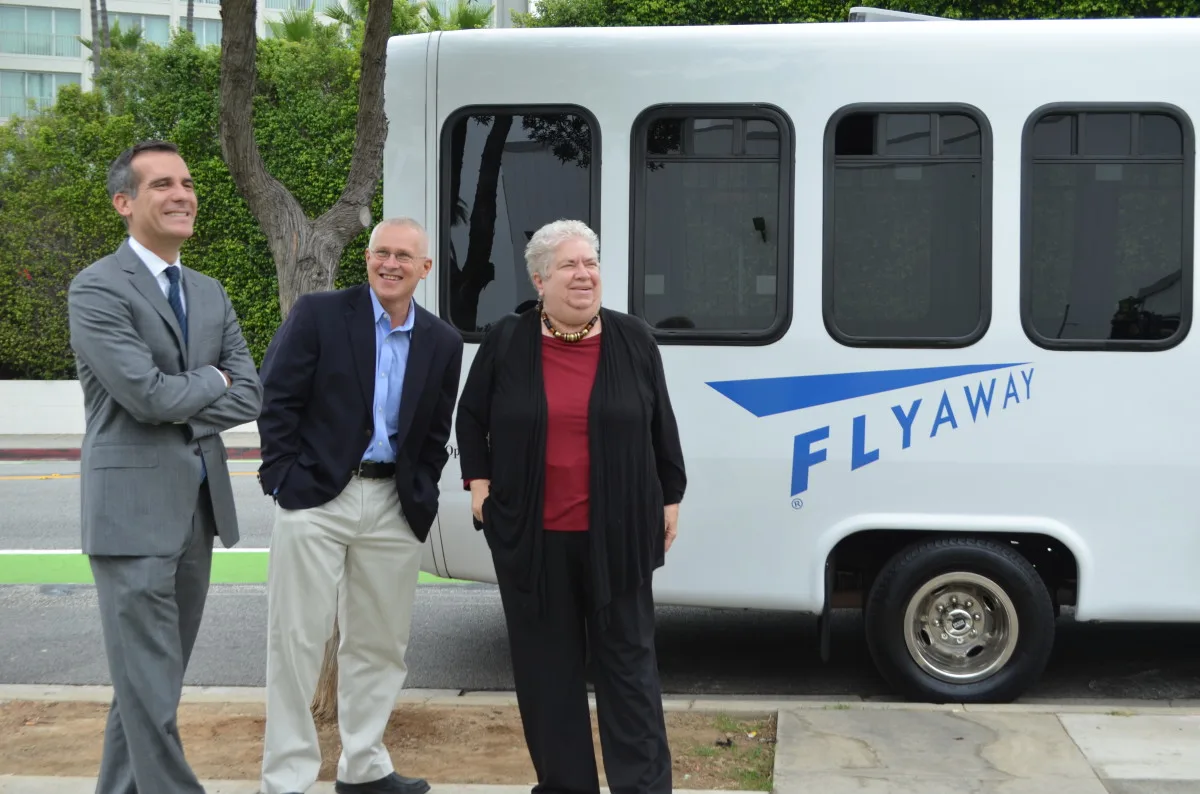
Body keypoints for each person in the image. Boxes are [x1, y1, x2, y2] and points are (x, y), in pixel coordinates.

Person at [455, 219, 687, 794]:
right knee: (546, 675)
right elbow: (473, 415)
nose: (584, 275)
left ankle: (644, 787)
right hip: (533, 539)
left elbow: (662, 423)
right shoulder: (506, 341)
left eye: (591, 263)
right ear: (540, 279)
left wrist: (671, 495)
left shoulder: (633, 338)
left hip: (619, 535)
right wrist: (479, 488)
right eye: (569, 265)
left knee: (628, 672)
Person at [66, 139, 264, 794]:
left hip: (196, 518)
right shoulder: (96, 288)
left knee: (149, 683)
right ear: (124, 203)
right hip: (131, 520)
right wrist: (212, 377)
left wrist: (193, 390)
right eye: (161, 185)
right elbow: (143, 394)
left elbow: (251, 391)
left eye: (186, 182)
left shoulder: (209, 291)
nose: (182, 194)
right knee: (149, 687)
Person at [256, 217, 464, 794]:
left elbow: (433, 429)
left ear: (425, 268)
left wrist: (421, 487)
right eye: (381, 253)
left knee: (380, 644)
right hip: (317, 499)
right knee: (296, 639)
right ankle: (287, 778)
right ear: (367, 258)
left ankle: (364, 767)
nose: (390, 264)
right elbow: (278, 399)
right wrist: (283, 478)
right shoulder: (321, 315)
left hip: (395, 504)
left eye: (404, 256)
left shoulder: (443, 342)